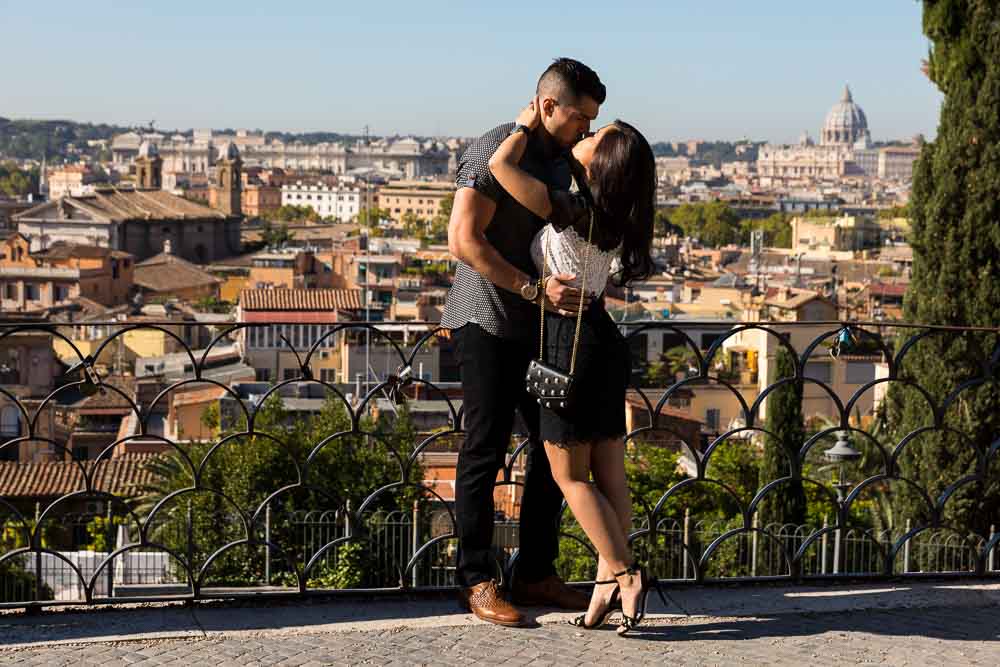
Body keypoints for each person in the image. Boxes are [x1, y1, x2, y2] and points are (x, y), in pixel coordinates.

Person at [441, 58, 605, 627]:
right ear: (547, 105)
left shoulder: (560, 156)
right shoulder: (495, 146)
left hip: (539, 323)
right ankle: (477, 580)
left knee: (553, 447)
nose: (584, 129)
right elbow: (463, 240)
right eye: (579, 117)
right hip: (486, 319)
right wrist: (534, 290)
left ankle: (534, 571)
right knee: (483, 450)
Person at [487, 96, 659, 635]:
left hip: (571, 344)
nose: (584, 133)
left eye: (595, 133)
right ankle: (607, 582)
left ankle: (627, 574)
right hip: (604, 343)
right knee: (610, 475)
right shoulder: (614, 213)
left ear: (601, 161)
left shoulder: (575, 208)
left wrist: (524, 123)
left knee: (569, 476)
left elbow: (500, 168)